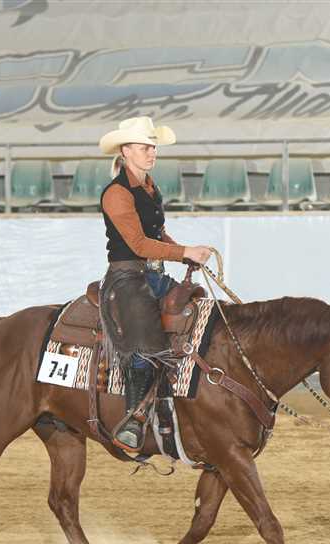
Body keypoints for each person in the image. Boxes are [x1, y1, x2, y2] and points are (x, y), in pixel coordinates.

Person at [97, 116, 212, 451]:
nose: (151, 153)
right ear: (126, 150)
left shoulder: (149, 187)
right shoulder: (116, 193)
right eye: (144, 147)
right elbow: (137, 244)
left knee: (197, 313)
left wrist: (183, 252)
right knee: (145, 343)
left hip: (153, 275)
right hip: (127, 278)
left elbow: (157, 234)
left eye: (153, 147)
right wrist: (184, 252)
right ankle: (133, 420)